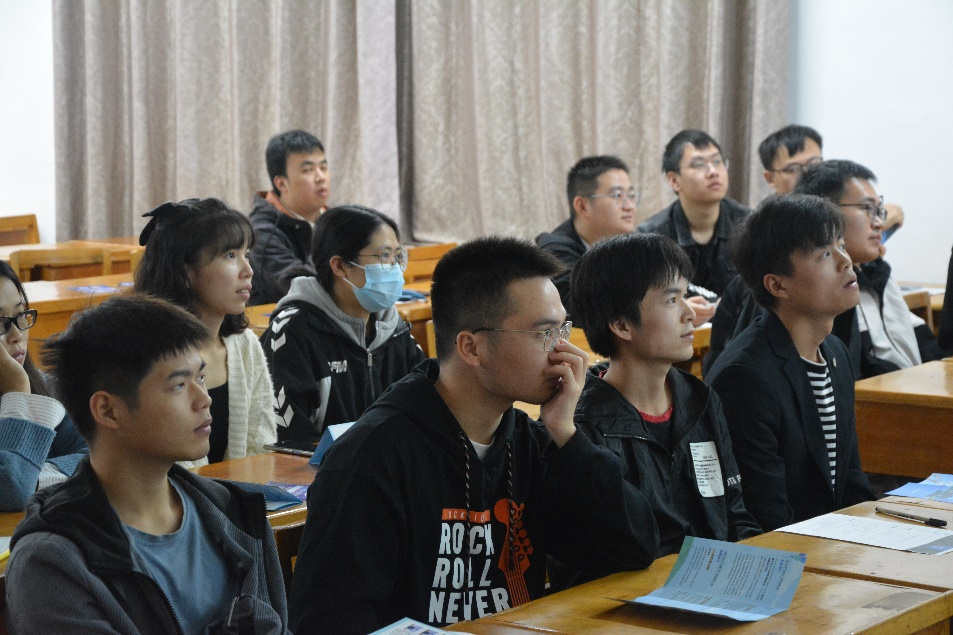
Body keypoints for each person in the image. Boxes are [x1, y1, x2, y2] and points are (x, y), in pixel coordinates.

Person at [287, 237, 659, 633]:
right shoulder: (370, 459)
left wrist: (567, 434)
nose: (563, 352)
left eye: (562, 330)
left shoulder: (533, 444)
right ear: (471, 348)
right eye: (544, 334)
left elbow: (633, 550)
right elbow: (328, 621)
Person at [5, 295, 290, 633]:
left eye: (201, 378)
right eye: (179, 385)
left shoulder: (236, 512)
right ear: (108, 410)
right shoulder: (53, 562)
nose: (204, 399)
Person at [569, 233, 760, 561]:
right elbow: (602, 553)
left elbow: (735, 513)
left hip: (715, 578)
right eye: (672, 300)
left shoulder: (700, 399)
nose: (690, 313)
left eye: (685, 296)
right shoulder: (583, 425)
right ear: (622, 325)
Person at [706, 195, 874, 531]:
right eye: (824, 254)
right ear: (777, 284)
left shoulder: (834, 352)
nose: (846, 261)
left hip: (832, 541)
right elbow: (766, 514)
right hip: (784, 548)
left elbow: (850, 480)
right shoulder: (745, 377)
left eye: (841, 246)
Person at [704, 160, 943, 377]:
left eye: (841, 246)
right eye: (867, 208)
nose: (879, 222)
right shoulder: (792, 289)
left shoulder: (866, 281)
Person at [260, 204, 425, 444]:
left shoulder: (394, 330)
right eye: (384, 256)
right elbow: (288, 437)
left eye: (398, 256)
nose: (395, 268)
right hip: (316, 466)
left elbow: (425, 409)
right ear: (340, 266)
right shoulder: (292, 331)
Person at [136, 198, 276, 466]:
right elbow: (160, 465)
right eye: (230, 256)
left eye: (246, 254)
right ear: (184, 271)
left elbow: (260, 448)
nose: (248, 271)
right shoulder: (151, 355)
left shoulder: (244, 344)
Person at [638, 129, 751, 323]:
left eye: (717, 162)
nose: (713, 172)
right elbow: (644, 304)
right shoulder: (651, 236)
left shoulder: (749, 225)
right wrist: (677, 311)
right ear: (674, 180)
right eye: (699, 164)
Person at [0, 261, 86, 511]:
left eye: (20, 315)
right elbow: (12, 489)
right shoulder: (21, 384)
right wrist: (17, 391)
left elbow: (99, 454)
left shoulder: (44, 385)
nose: (16, 335)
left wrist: (37, 476)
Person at [535, 155, 638, 323]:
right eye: (617, 195)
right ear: (582, 206)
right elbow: (574, 311)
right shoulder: (555, 250)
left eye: (631, 195)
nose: (629, 206)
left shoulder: (631, 243)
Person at [757, 124, 903, 236]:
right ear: (770, 178)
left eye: (814, 164)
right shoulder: (767, 226)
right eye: (794, 169)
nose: (808, 173)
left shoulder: (833, 205)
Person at [248, 129, 330, 305]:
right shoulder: (261, 233)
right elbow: (304, 289)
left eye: (323, 167)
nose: (321, 177)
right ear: (281, 183)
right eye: (308, 170)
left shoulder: (333, 219)